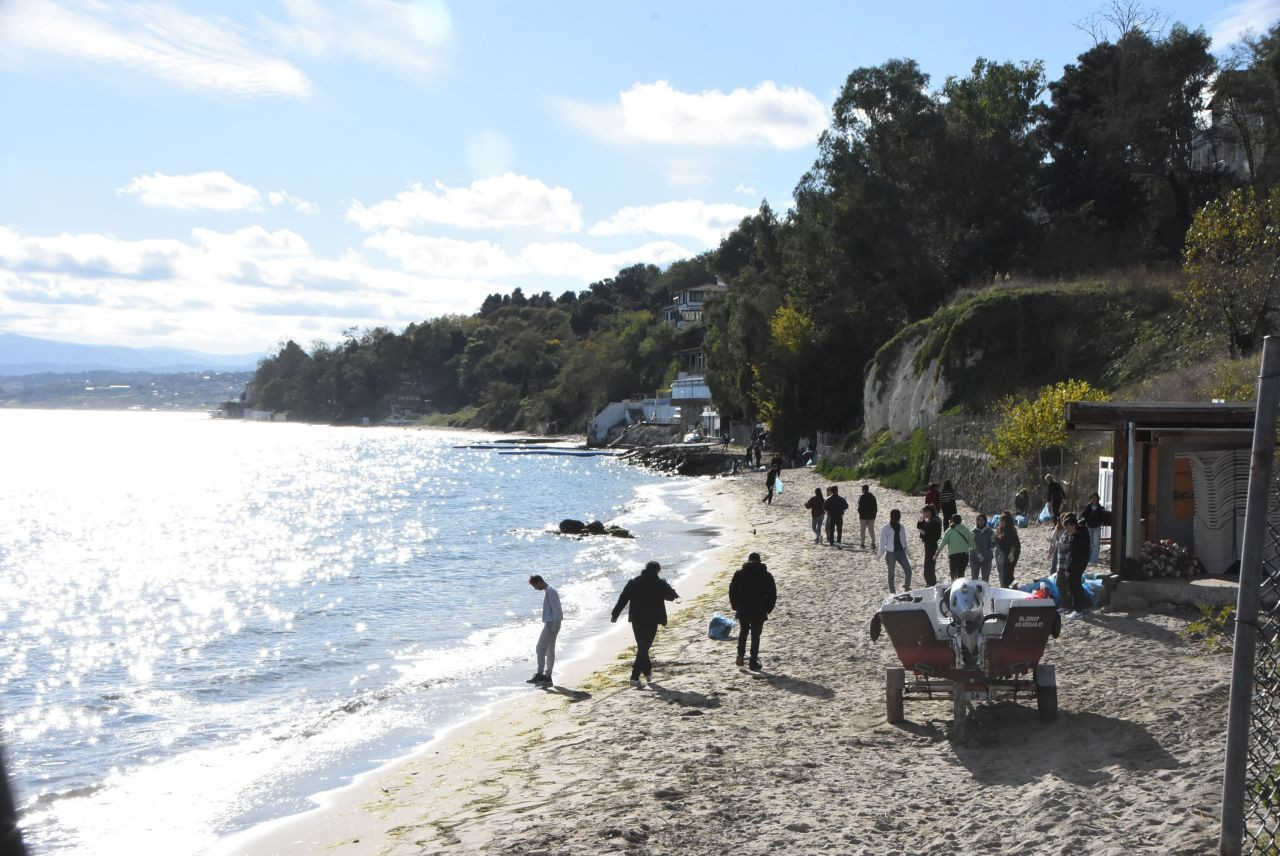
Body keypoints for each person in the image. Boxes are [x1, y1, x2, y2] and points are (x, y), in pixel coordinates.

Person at [611, 561, 679, 686]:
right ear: (658, 570)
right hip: (652, 620)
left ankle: (647, 672)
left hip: (636, 619)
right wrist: (667, 585)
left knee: (643, 646)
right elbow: (671, 597)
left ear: (645, 569)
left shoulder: (634, 581)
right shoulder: (659, 583)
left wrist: (615, 615)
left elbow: (623, 598)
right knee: (643, 648)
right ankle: (634, 677)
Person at [729, 552, 776, 671]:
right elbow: (772, 594)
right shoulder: (766, 575)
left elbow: (732, 591)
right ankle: (753, 661)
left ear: (748, 560)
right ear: (760, 561)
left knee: (743, 632)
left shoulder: (739, 574)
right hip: (759, 610)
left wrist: (735, 606)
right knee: (756, 636)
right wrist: (768, 609)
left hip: (743, 608)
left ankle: (740, 655)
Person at [527, 575, 562, 685]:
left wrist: (554, 626)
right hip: (552, 623)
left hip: (551, 623)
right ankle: (548, 676)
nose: (535, 588)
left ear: (539, 582)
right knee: (550, 650)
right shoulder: (549, 591)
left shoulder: (551, 591)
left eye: (534, 586)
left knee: (540, 648)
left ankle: (540, 674)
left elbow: (557, 611)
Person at [1057, 513, 1092, 616]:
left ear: (1073, 525)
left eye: (1067, 527)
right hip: (1080, 563)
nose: (1067, 530)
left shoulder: (1078, 535)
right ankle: (1082, 608)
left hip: (1079, 563)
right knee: (1077, 585)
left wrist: (1068, 569)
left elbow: (1073, 555)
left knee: (1074, 586)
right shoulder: (1078, 533)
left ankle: (1078, 610)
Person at [878, 509, 913, 593]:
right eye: (896, 517)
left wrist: (907, 552)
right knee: (891, 574)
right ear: (891, 517)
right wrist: (879, 554)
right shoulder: (885, 528)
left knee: (908, 571)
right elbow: (882, 542)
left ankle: (907, 589)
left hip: (901, 552)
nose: (897, 519)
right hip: (891, 553)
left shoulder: (902, 527)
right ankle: (892, 593)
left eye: (898, 517)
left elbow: (904, 541)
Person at [939, 514, 975, 580]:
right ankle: (960, 587)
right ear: (961, 520)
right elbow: (972, 543)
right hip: (964, 556)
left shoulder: (949, 531)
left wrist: (937, 553)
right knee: (961, 573)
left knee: (954, 575)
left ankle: (955, 587)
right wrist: (978, 553)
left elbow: (943, 543)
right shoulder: (966, 529)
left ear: (952, 521)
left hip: (953, 556)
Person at [994, 511, 1021, 588]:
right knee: (1002, 572)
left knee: (1008, 572)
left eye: (1002, 521)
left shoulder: (1012, 530)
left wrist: (1012, 553)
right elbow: (998, 541)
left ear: (1007, 521)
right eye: (1000, 521)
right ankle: (1005, 586)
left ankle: (1012, 587)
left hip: (1011, 553)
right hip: (1003, 551)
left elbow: (1014, 543)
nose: (1000, 522)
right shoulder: (999, 529)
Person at [917, 505, 942, 586]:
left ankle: (931, 584)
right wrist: (921, 520)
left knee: (929, 568)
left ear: (929, 512)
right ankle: (930, 583)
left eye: (924, 512)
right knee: (928, 567)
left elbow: (930, 534)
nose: (923, 514)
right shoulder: (931, 520)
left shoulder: (934, 521)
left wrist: (923, 532)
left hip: (931, 546)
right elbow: (921, 527)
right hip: (929, 545)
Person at [1080, 492, 1107, 565]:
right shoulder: (1087, 507)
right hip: (1089, 526)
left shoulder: (1100, 508)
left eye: (1095, 498)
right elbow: (1083, 515)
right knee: (1089, 543)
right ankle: (1088, 559)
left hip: (1097, 527)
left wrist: (1100, 521)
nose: (1094, 499)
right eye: (1092, 498)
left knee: (1096, 544)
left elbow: (1103, 517)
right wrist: (1088, 505)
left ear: (1098, 499)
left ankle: (1094, 560)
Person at [969, 513, 994, 582]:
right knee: (974, 577)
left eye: (982, 520)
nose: (980, 522)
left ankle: (985, 592)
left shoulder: (990, 532)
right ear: (976, 521)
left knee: (985, 578)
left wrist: (993, 540)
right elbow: (971, 545)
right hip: (974, 558)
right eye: (979, 520)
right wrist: (978, 554)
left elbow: (992, 546)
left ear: (985, 521)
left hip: (987, 558)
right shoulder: (973, 532)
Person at [857, 484, 878, 550]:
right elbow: (875, 507)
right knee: (871, 530)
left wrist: (860, 513)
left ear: (863, 489)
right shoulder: (872, 496)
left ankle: (862, 543)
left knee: (862, 530)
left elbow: (859, 507)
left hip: (863, 517)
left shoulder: (861, 497)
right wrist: (874, 515)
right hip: (871, 516)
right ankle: (873, 543)